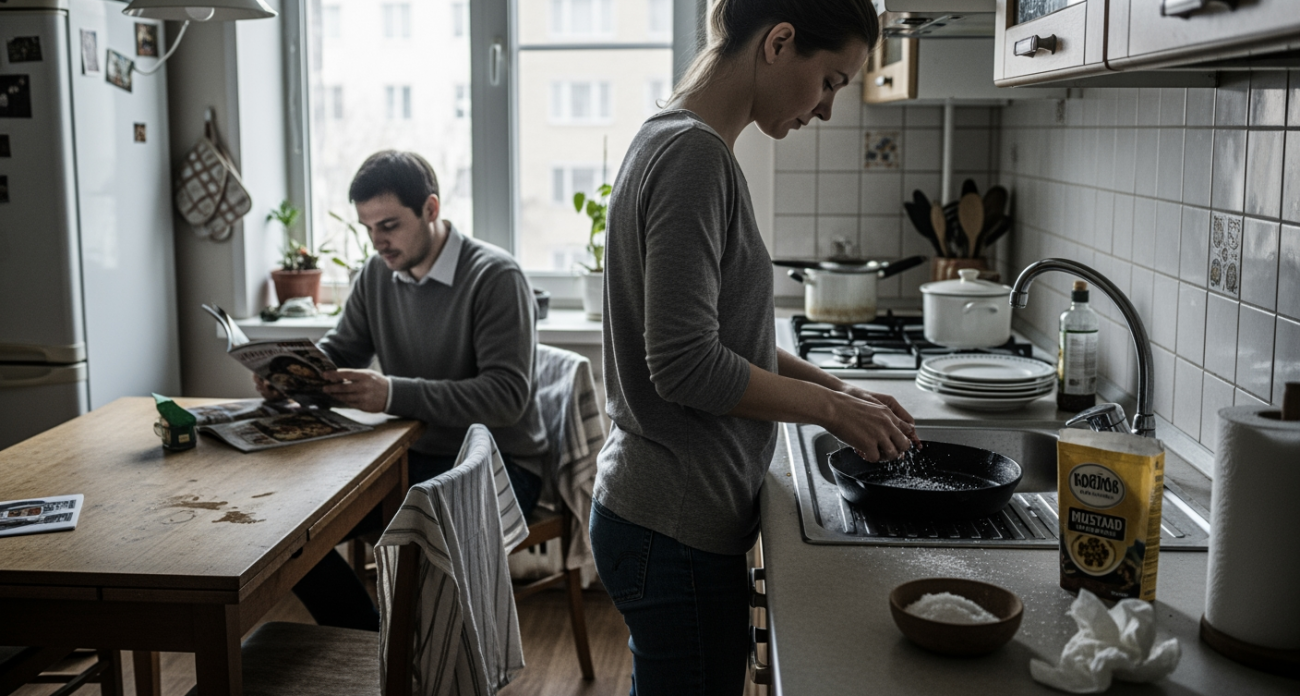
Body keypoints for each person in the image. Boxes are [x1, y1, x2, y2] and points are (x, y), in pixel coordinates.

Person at [589, 2, 919, 694]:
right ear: (779, 42)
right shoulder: (694, 155)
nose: (827, 109)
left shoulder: (677, 137)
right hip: (673, 520)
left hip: (661, 513)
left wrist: (840, 394)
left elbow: (730, 343)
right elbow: (685, 365)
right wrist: (829, 414)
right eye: (831, 80)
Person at [255, 150, 548, 630]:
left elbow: (505, 397)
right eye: (368, 228)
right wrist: (289, 373)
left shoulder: (495, 277)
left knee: (422, 553)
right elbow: (343, 348)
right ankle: (374, 648)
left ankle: (404, 661)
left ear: (431, 209)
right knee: (291, 536)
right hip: (408, 457)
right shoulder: (377, 275)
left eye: (389, 225)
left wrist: (392, 394)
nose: (378, 243)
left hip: (499, 464)